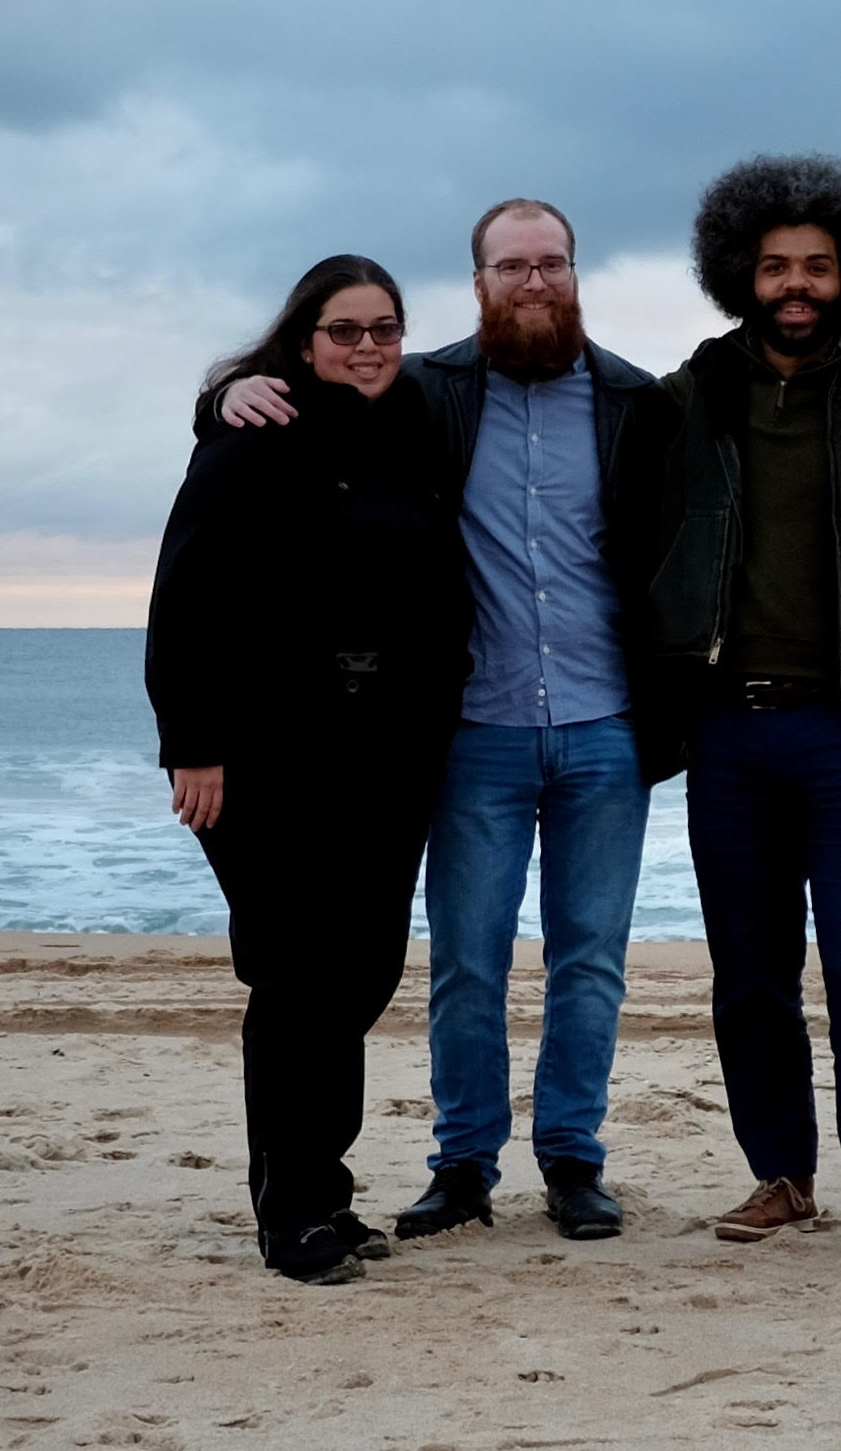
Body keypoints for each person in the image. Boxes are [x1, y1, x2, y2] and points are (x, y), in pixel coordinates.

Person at [208, 200, 680, 1246]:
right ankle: (464, 1165)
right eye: (511, 266)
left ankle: (573, 1160)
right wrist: (224, 395)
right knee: (467, 962)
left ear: (576, 273)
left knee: (590, 961)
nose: (533, 282)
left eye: (551, 264)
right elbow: (307, 400)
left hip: (606, 725)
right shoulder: (428, 388)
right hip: (474, 729)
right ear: (479, 282)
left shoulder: (636, 401)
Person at [148, 255, 468, 1285]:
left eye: (385, 329)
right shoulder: (253, 436)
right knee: (296, 976)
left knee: (361, 973)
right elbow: (184, 596)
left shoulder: (416, 428)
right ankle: (291, 1214)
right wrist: (191, 742)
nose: (367, 348)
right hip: (267, 755)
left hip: (390, 753)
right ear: (303, 339)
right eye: (345, 330)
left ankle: (322, 1188)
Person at [636, 155, 841, 1258]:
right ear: (739, 274)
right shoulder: (682, 402)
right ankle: (782, 1175)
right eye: (775, 267)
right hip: (728, 732)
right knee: (751, 975)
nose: (796, 285)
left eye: (817, 265)